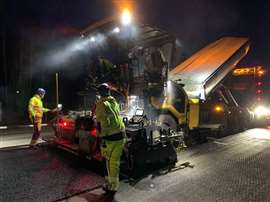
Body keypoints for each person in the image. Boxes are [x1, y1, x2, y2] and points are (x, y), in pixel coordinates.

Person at [95, 83, 126, 201]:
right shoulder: (114, 102)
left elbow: (100, 122)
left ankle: (110, 187)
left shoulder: (101, 104)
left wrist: (99, 135)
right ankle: (112, 186)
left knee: (108, 163)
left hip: (109, 138)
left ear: (99, 93)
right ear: (109, 91)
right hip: (121, 135)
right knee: (115, 163)